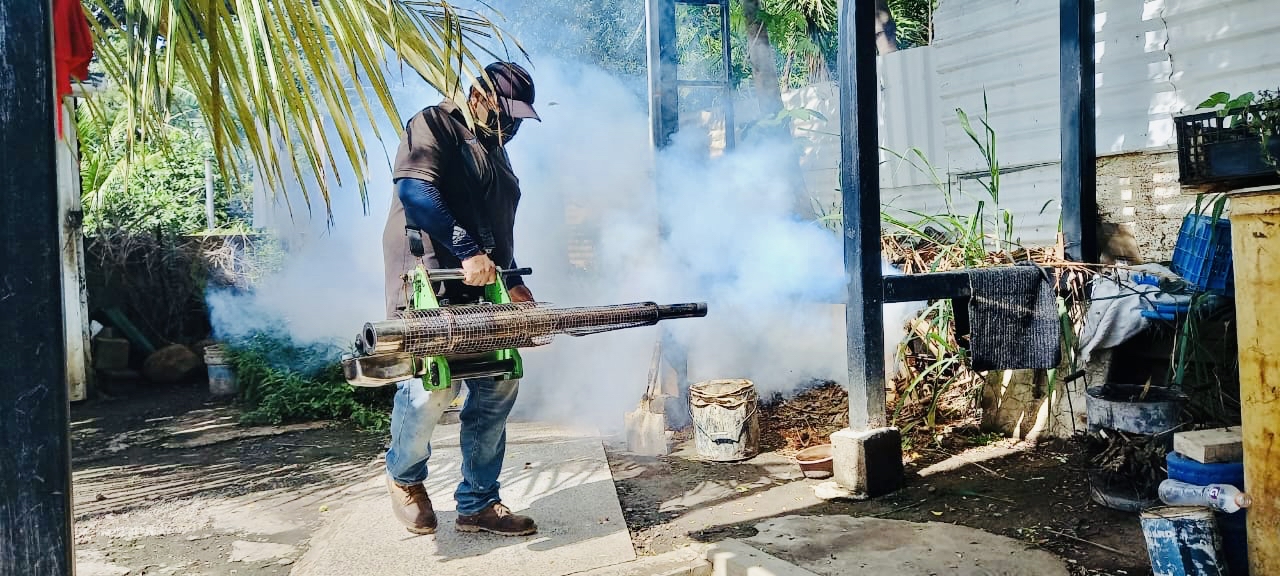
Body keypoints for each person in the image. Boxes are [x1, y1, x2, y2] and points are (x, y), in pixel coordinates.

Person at [380, 61, 540, 537]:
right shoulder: (433, 124)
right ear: (477, 95)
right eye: (504, 111)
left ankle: (478, 503)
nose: (511, 124)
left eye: (516, 116)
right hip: (428, 284)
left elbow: (498, 231)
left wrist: (511, 281)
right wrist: (467, 250)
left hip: (483, 292)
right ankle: (404, 477)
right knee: (434, 388)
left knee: (498, 385)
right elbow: (415, 190)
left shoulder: (495, 151)